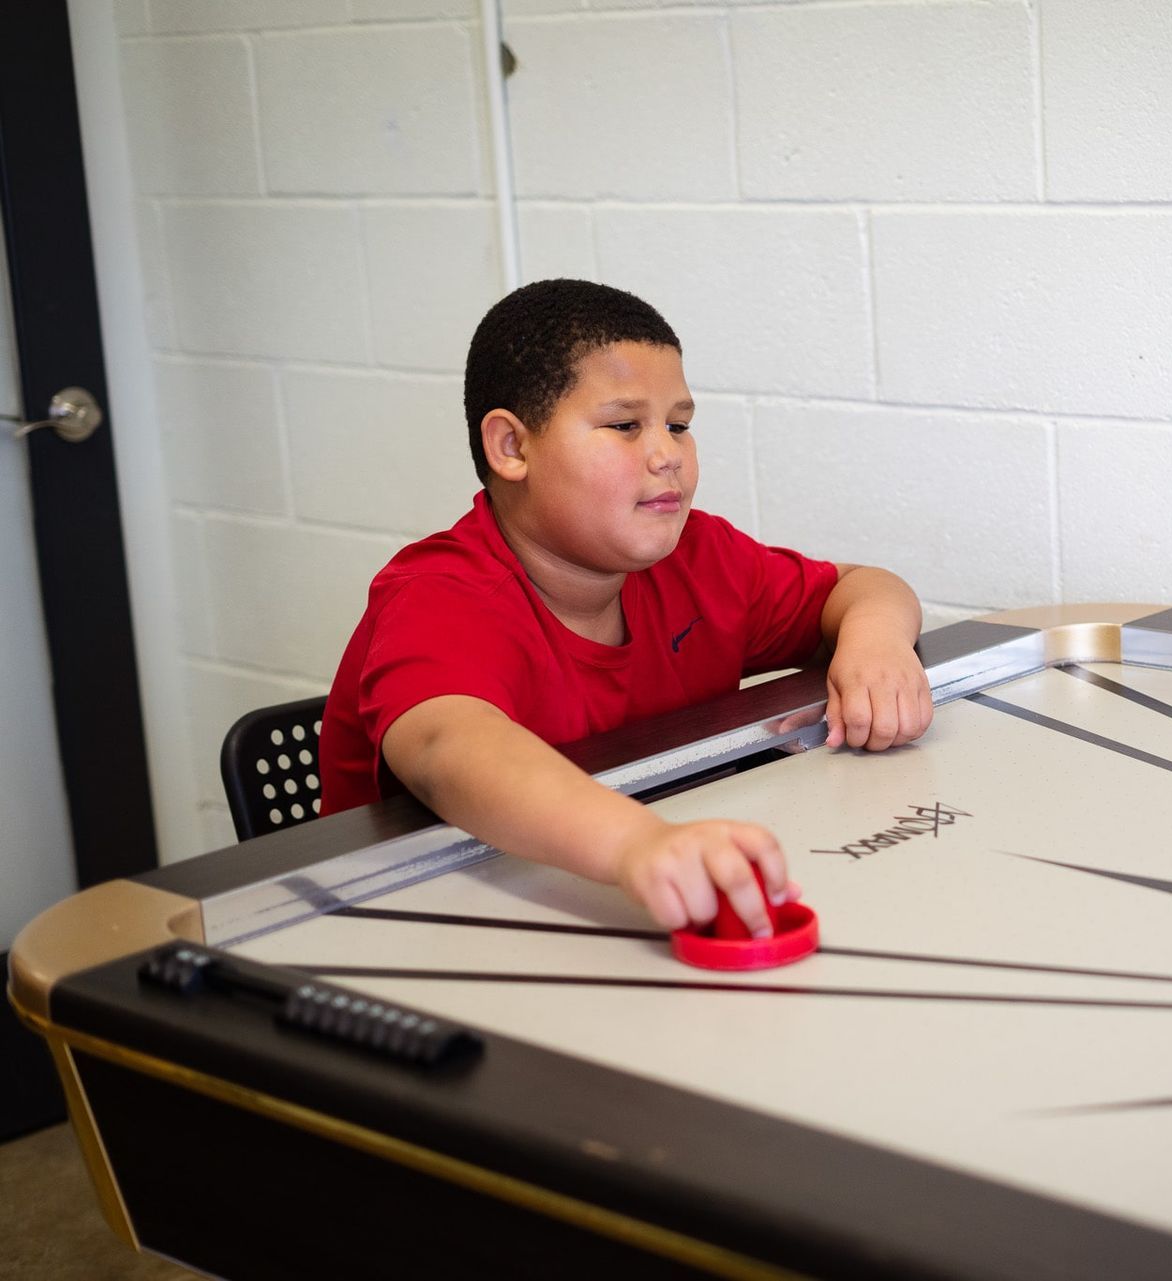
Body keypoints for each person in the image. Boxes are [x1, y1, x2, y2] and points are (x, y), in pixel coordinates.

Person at [318, 279, 932, 938]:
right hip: (420, 935)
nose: (667, 454)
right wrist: (636, 844)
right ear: (512, 447)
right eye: (624, 425)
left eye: (679, 425)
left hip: (618, 901)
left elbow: (864, 586)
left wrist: (876, 642)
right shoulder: (439, 594)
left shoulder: (696, 557)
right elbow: (450, 750)